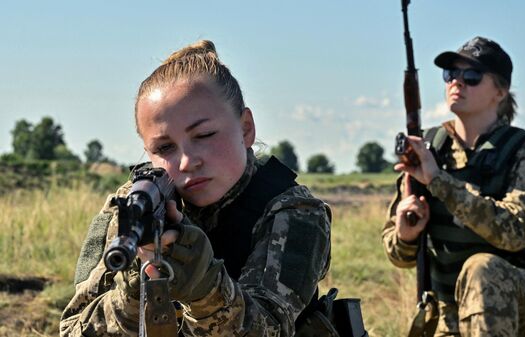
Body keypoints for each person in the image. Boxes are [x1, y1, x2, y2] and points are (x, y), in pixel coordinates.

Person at [60, 40, 332, 336]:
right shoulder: (135, 207)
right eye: (165, 147)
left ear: (246, 129)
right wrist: (138, 285)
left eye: (204, 135)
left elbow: (268, 328)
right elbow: (74, 329)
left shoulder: (294, 211)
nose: (187, 161)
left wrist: (205, 287)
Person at [382, 36, 525, 336]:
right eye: (450, 74)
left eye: (471, 76)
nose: (458, 82)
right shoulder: (430, 148)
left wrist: (438, 181)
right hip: (448, 318)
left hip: (524, 311)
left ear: (501, 91)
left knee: (484, 269)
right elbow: (397, 254)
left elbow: (516, 232)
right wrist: (406, 233)